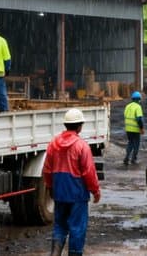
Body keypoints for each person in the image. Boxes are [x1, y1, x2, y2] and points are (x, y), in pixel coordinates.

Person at [43, 108, 101, 256]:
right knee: (77, 228)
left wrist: (50, 187)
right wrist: (95, 191)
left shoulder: (53, 144)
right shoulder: (82, 146)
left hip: (60, 192)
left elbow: (47, 169)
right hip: (77, 194)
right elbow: (89, 172)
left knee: (60, 226)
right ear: (79, 126)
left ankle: (55, 253)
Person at [123, 91, 144, 165]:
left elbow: (125, 116)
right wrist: (141, 128)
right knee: (136, 144)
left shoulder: (127, 106)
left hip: (128, 129)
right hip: (135, 129)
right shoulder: (138, 107)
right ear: (138, 99)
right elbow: (139, 119)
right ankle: (133, 159)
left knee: (130, 143)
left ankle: (127, 157)